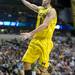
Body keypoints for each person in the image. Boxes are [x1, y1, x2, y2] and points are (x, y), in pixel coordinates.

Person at [21, 0, 57, 75]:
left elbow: (45, 25)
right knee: (26, 62)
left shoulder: (52, 11)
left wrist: (30, 34)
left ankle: (47, 70)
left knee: (41, 70)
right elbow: (30, 5)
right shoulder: (40, 9)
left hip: (45, 41)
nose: (42, 0)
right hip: (35, 40)